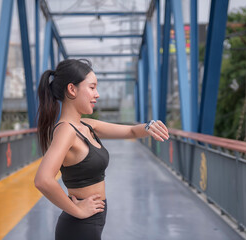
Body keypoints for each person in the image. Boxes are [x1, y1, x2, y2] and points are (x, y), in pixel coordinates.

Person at [34, 59, 169, 240]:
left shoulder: (86, 125)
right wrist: (77, 211)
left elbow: (129, 131)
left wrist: (149, 126)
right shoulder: (66, 130)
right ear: (72, 89)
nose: (97, 94)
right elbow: (42, 180)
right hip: (80, 227)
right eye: (92, 87)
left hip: (91, 223)